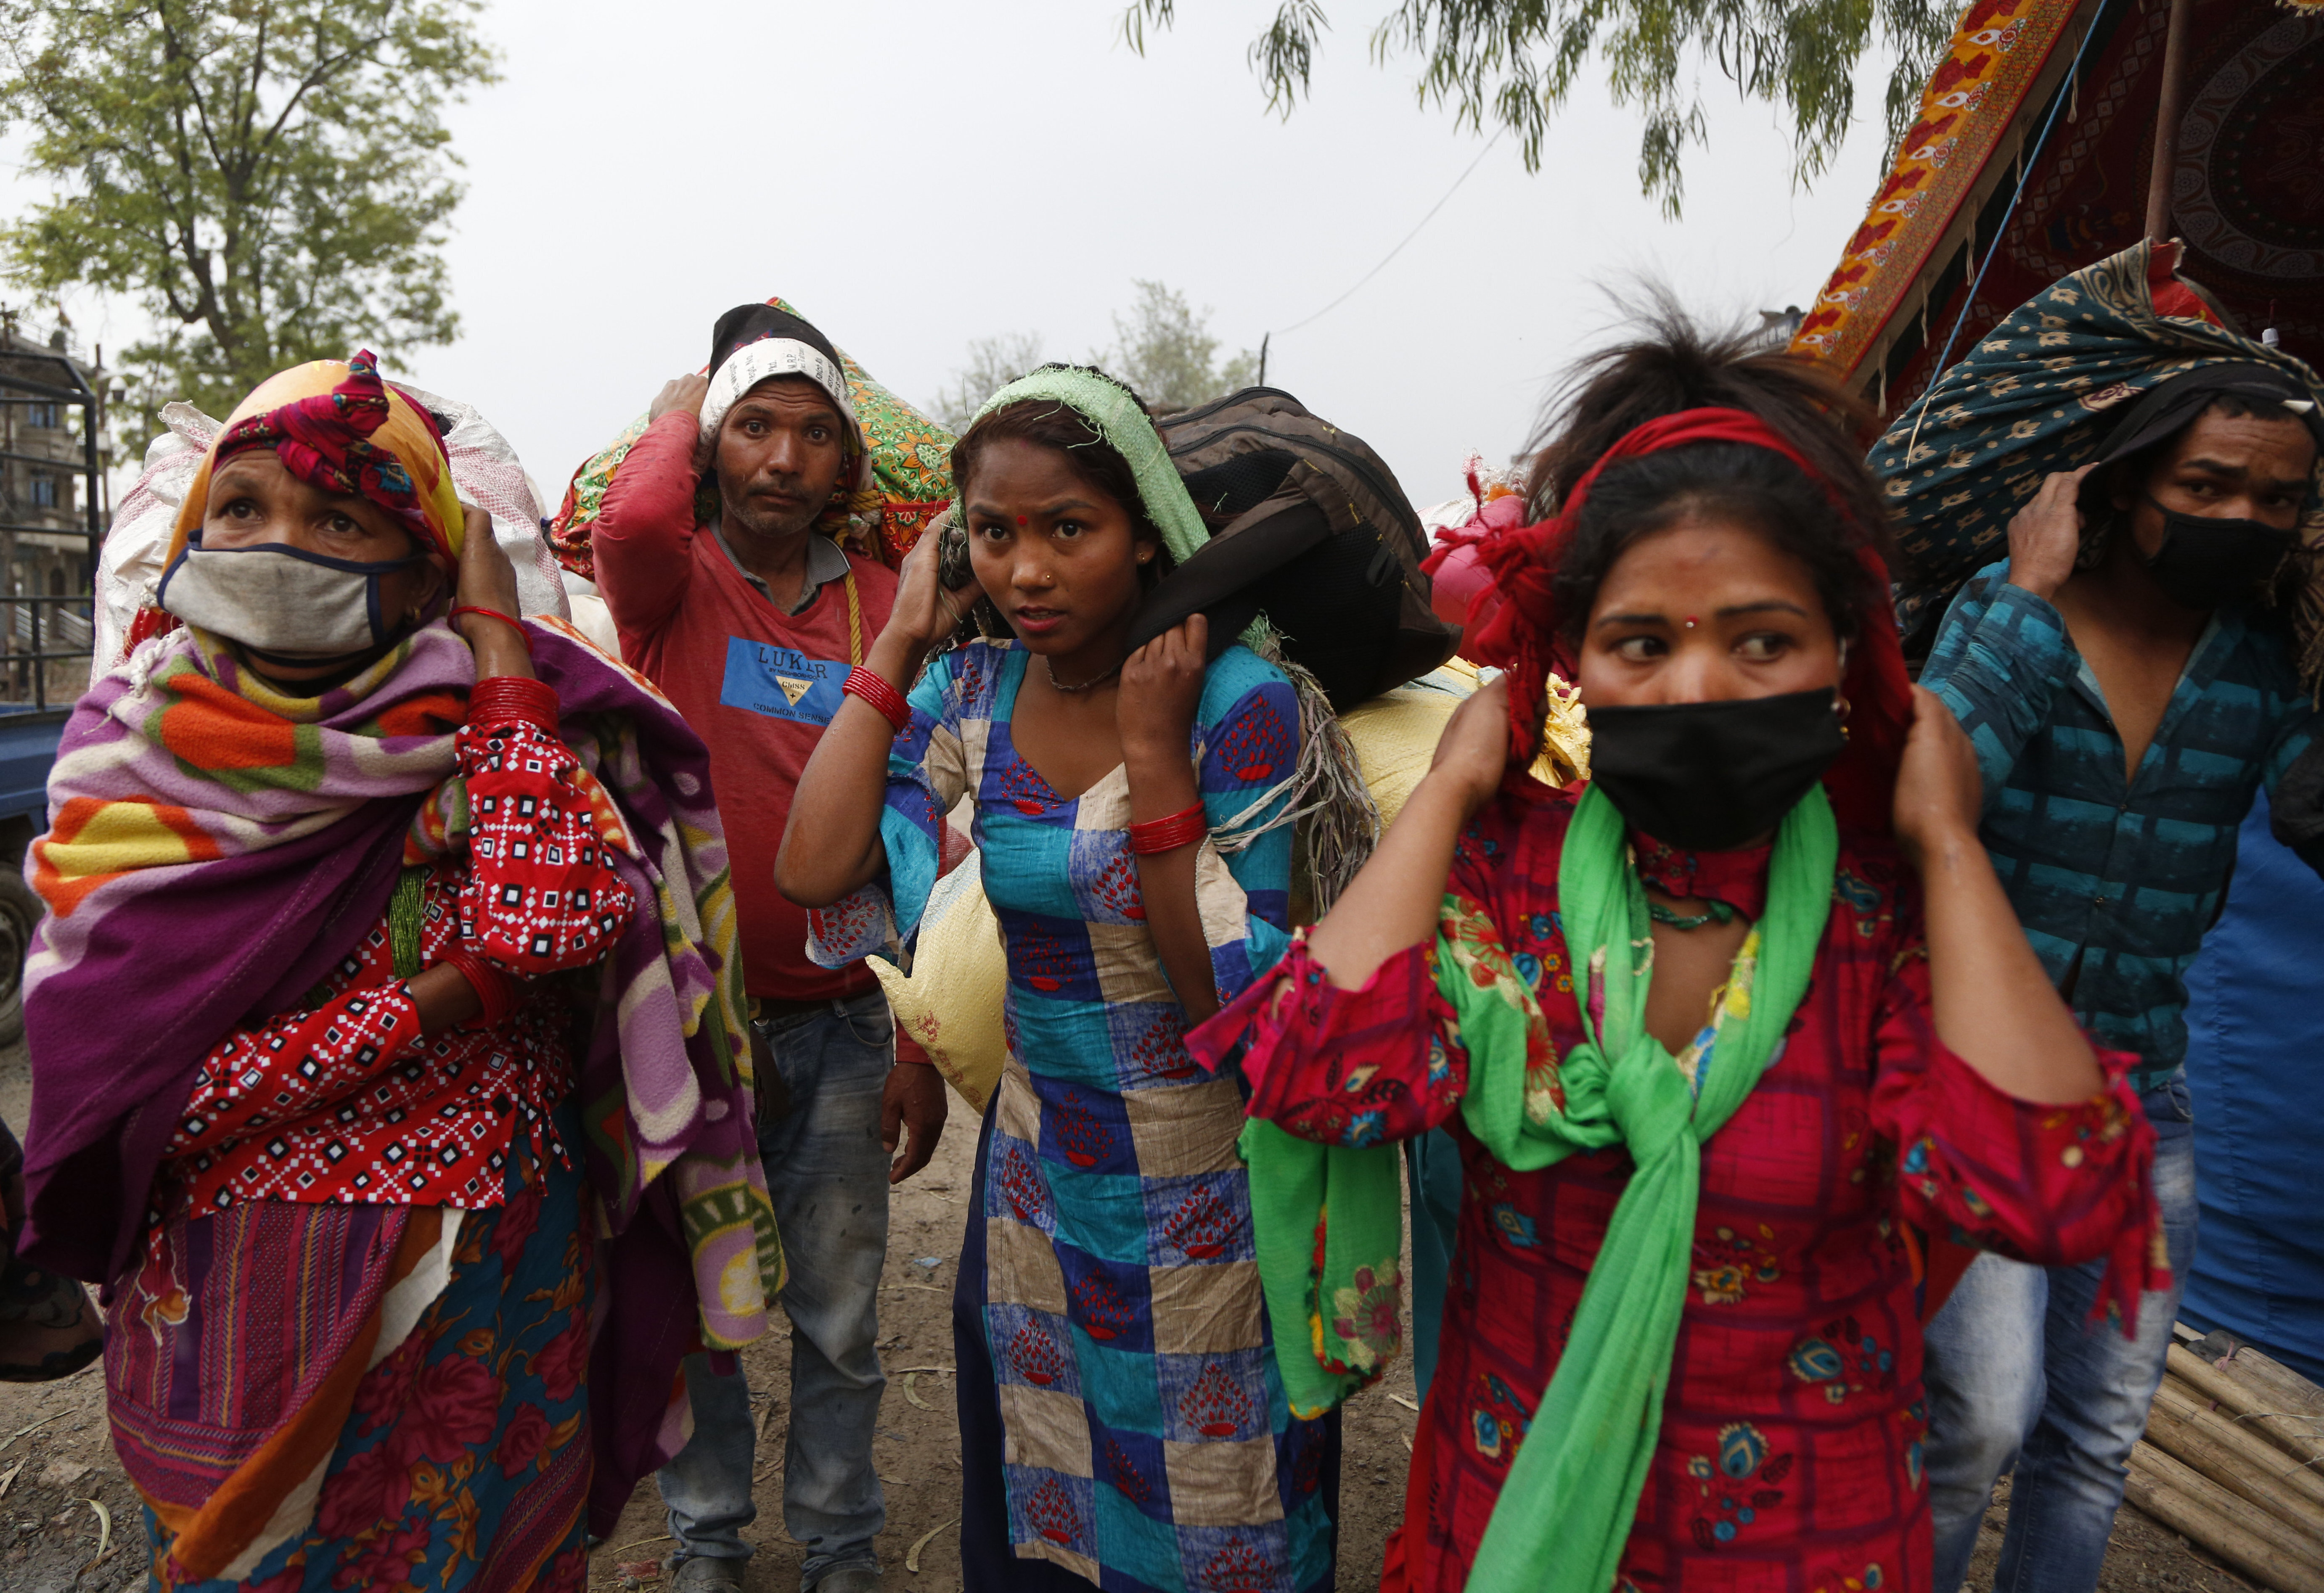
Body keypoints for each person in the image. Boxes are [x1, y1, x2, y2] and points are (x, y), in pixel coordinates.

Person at [1187, 316, 2167, 1593]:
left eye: (1761, 641)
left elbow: (2046, 1192)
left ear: (1843, 663)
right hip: (1513, 1520)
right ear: (1574, 667)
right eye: (1644, 645)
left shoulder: (1885, 930)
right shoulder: (1504, 888)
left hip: (1803, 1546)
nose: (1698, 685)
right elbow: (1316, 1075)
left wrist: (1949, 844)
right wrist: (1445, 794)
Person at [16, 353, 778, 1591]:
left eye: (339, 518)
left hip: (492, 1284)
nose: (281, 545)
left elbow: (546, 931)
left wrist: (496, 652)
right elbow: (143, 1092)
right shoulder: (126, 762)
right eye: (245, 509)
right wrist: (443, 1000)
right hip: (253, 1299)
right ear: (193, 533)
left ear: (426, 560)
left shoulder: (509, 728)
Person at [778, 365, 1340, 1593]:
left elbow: (1235, 1017)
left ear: (1145, 533)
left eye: (1067, 530)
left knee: (1211, 1507)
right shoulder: (973, 694)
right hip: (1037, 1178)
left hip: (1207, 1187)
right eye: (994, 533)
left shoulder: (1235, 707)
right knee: (1047, 1501)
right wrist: (900, 635)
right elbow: (814, 865)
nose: (1025, 572)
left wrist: (1155, 765)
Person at [1914, 362, 2324, 1593]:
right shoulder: (2008, 604)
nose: (2242, 517)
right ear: (2129, 479)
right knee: (1983, 1413)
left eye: (2276, 498)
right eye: (2208, 484)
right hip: (1975, 1078)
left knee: (2096, 1436)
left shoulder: (2265, 660)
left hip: (2146, 1094)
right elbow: (1933, 785)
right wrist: (2031, 594)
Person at [590, 303, 949, 1593]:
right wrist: (679, 405)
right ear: (710, 453)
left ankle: (842, 1548)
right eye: (755, 430)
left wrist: (914, 1031)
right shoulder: (670, 581)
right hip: (689, 1027)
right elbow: (623, 523)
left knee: (842, 1317)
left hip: (845, 1022)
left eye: (812, 435)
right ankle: (706, 1545)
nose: (784, 460)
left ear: (847, 467)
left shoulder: (876, 608)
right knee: (702, 1309)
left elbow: (919, 835)